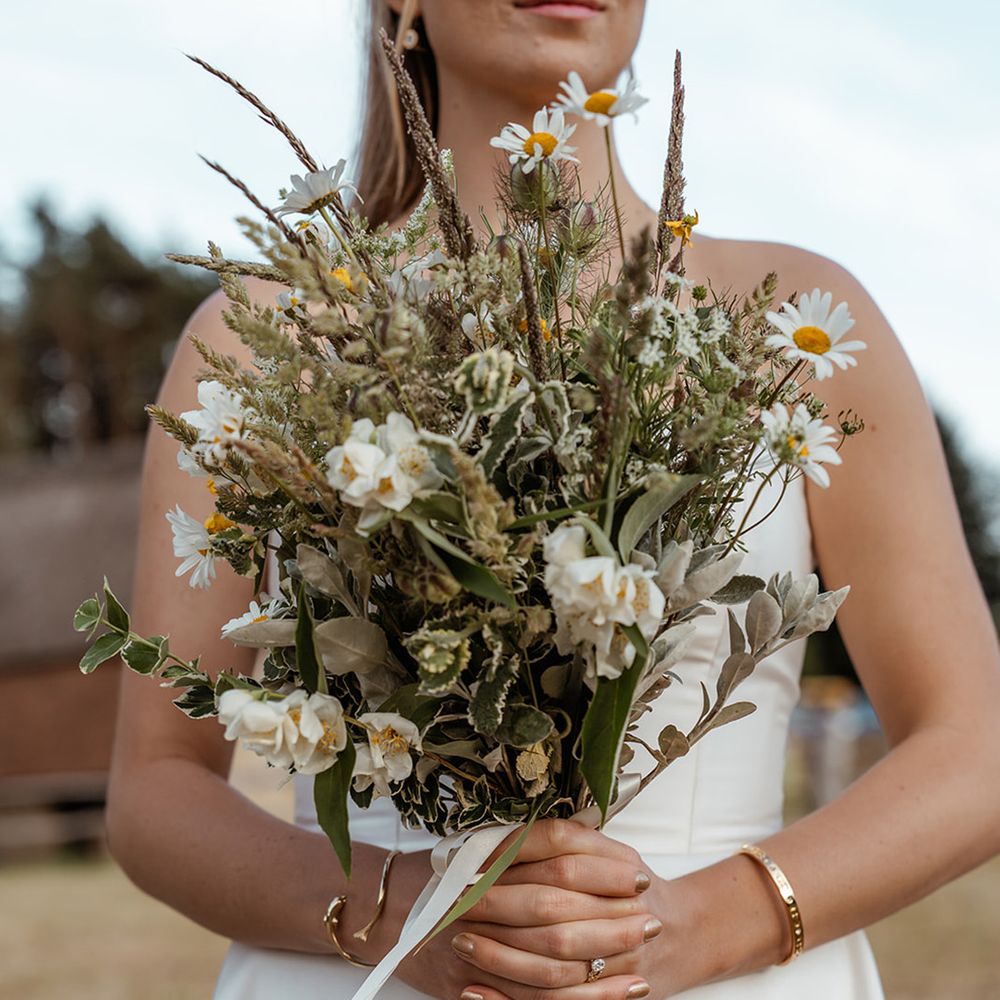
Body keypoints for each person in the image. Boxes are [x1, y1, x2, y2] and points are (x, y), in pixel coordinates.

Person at [105, 1, 1000, 998]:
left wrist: (708, 922)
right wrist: (404, 910)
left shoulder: (796, 321)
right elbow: (154, 792)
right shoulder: (263, 339)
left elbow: (975, 747)